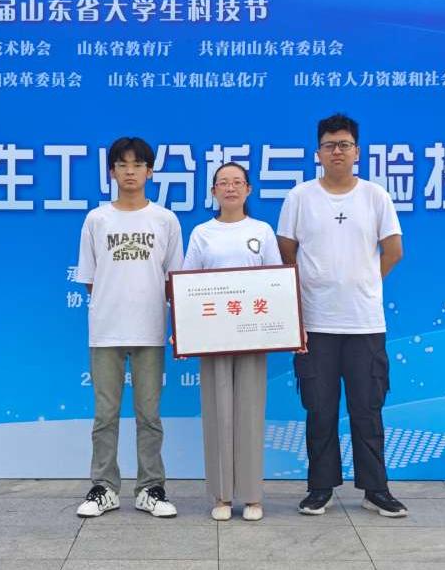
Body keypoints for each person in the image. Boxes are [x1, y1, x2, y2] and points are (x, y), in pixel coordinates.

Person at [276, 113, 409, 518]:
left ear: (357, 151)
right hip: (315, 322)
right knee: (319, 408)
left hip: (363, 321)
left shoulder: (375, 196)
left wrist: (364, 280)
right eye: (330, 145)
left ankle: (376, 489)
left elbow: (393, 250)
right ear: (318, 153)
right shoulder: (300, 197)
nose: (337, 151)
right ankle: (320, 488)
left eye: (345, 145)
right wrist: (314, 286)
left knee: (367, 407)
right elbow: (286, 250)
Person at [74, 136, 182, 519]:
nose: (130, 172)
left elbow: (174, 280)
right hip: (106, 331)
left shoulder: (165, 220)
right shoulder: (97, 219)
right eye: (122, 165)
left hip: (150, 329)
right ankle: (103, 488)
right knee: (105, 415)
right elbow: (91, 279)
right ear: (112, 172)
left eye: (138, 165)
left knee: (149, 416)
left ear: (150, 171)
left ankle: (150, 488)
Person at [182, 162, 281, 522]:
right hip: (213, 336)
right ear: (213, 191)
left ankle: (252, 496)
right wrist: (185, 329)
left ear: (248, 189)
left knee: (250, 411)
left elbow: (276, 282)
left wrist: (284, 327)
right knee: (218, 411)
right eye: (223, 182)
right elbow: (187, 284)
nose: (230, 188)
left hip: (253, 334)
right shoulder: (202, 233)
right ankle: (221, 495)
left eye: (237, 182)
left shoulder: (262, 231)